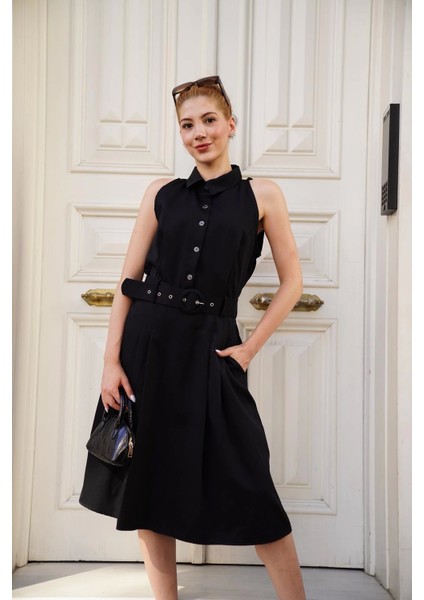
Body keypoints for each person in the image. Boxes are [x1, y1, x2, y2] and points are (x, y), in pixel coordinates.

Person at [80, 75, 306, 600]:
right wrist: (110, 361)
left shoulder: (262, 195)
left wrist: (248, 350)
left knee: (252, 482)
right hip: (148, 349)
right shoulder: (160, 193)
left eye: (209, 121)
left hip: (213, 351)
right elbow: (127, 280)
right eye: (187, 125)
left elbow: (293, 283)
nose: (199, 133)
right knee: (147, 485)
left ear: (231, 125)